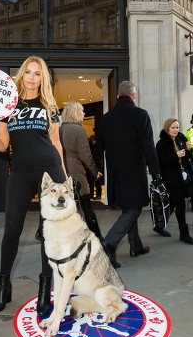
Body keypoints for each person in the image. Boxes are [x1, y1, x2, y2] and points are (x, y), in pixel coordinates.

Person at [0, 56, 66, 315]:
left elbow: (56, 143)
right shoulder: (7, 104)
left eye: (37, 73)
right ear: (21, 74)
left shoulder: (49, 104)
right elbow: (3, 144)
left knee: (48, 233)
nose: (32, 77)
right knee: (11, 232)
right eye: (28, 72)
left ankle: (45, 289)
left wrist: (64, 179)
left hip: (50, 171)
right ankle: (4, 288)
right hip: (21, 172)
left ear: (42, 78)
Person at [95, 80, 160, 268]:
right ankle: (108, 243)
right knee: (133, 209)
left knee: (128, 208)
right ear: (134, 96)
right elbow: (148, 147)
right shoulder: (140, 115)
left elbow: (99, 148)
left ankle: (135, 246)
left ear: (117, 97)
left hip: (115, 173)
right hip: (134, 171)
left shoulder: (106, 118)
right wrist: (155, 172)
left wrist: (94, 170)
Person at [60, 102, 102, 239]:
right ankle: (97, 237)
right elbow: (86, 155)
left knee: (63, 208)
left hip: (60, 172)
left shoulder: (58, 129)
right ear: (74, 113)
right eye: (81, 111)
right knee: (86, 207)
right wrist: (95, 172)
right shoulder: (78, 130)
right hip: (76, 173)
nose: (84, 114)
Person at [155, 118, 193, 244]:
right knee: (180, 205)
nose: (175, 130)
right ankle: (184, 234)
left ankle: (159, 225)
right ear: (167, 128)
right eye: (173, 127)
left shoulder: (179, 140)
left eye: (177, 127)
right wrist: (176, 155)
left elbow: (186, 158)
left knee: (172, 204)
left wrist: (189, 150)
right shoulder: (161, 144)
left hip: (181, 177)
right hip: (171, 179)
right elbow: (161, 162)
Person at [88, 135, 103, 200]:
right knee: (97, 182)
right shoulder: (98, 147)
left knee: (92, 182)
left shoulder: (90, 147)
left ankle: (92, 195)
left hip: (92, 165)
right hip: (97, 165)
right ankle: (98, 195)